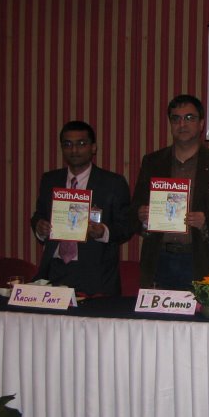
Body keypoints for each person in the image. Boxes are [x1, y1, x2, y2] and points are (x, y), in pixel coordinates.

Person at [130, 94, 209, 289]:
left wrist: (206, 222)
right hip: (158, 260)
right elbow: (133, 210)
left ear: (201, 124)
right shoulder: (152, 162)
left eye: (189, 118)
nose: (182, 124)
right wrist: (141, 215)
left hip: (203, 260)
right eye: (176, 119)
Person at [31, 120, 132, 296]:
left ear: (93, 148)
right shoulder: (50, 180)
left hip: (96, 274)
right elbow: (38, 215)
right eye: (68, 144)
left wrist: (104, 232)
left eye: (81, 144)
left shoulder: (113, 183)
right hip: (54, 270)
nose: (74, 150)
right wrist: (39, 227)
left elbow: (127, 226)